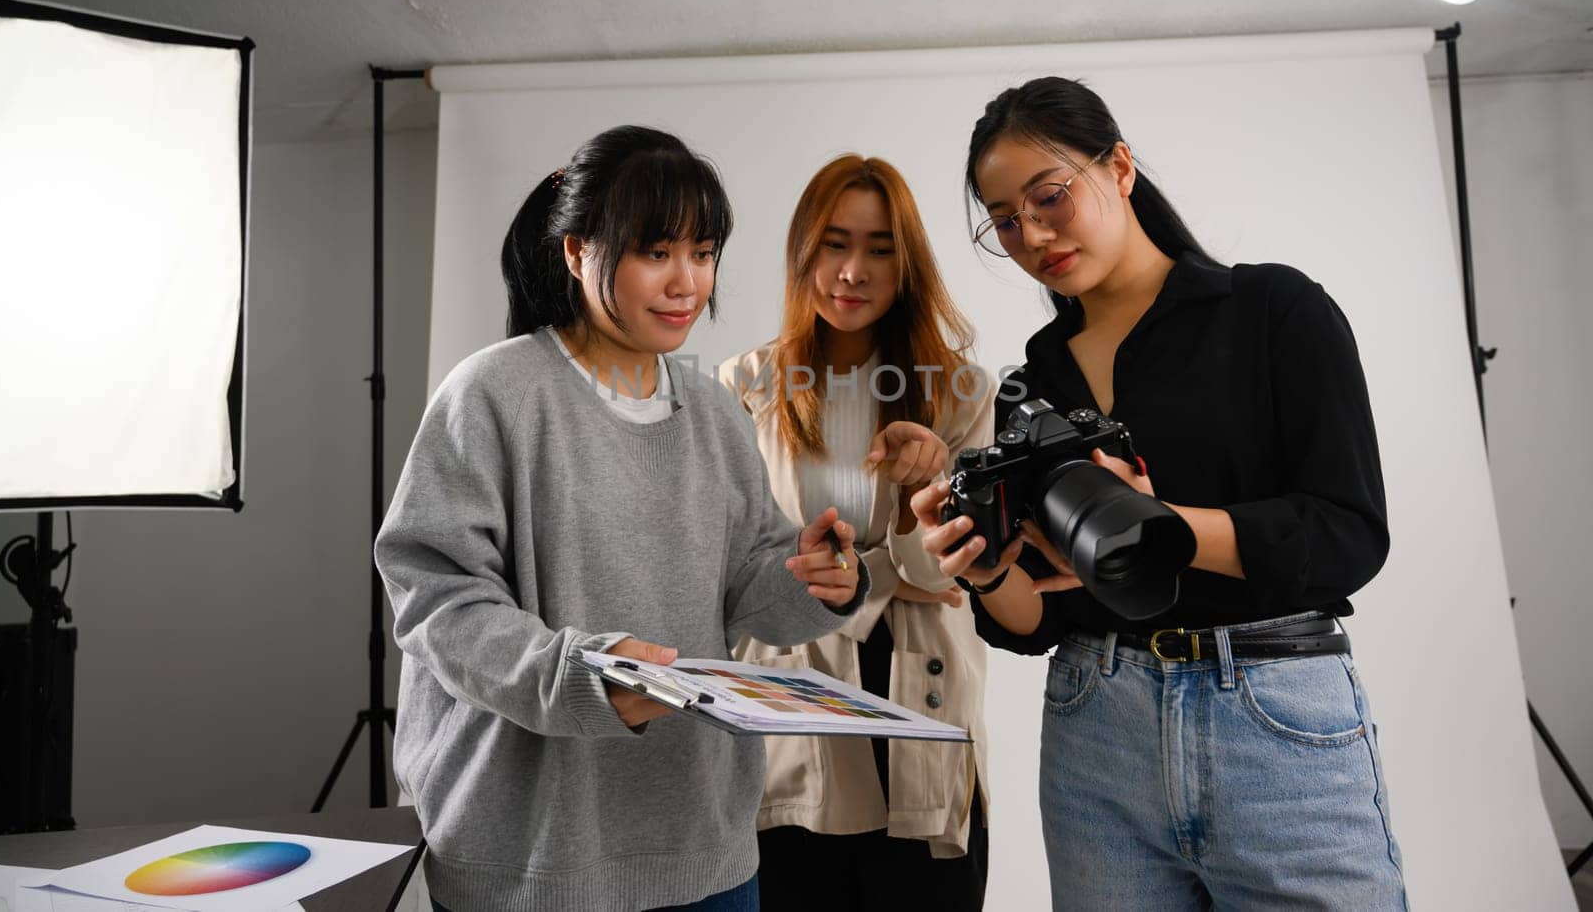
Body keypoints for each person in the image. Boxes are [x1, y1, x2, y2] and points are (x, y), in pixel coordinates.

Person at [910, 78, 1407, 909]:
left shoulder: (1274, 310)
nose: (1030, 233)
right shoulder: (1036, 380)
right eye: (1003, 219)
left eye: (1050, 196)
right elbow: (1046, 620)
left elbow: (1350, 532)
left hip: (1275, 715)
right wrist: (985, 567)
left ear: (1121, 167)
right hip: (1097, 723)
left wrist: (1162, 526)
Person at [375, 125, 867, 912]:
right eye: (655, 252)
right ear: (577, 253)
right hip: (534, 855)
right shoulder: (493, 394)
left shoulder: (712, 409)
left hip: (704, 847)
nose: (686, 282)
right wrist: (583, 677)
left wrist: (819, 578)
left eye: (703, 253)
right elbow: (438, 601)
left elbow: (750, 584)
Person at [719, 154, 995, 911]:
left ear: (908, 264)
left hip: (918, 713)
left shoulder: (961, 392)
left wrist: (909, 511)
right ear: (803, 249)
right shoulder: (743, 387)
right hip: (791, 723)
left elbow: (953, 574)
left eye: (880, 249)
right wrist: (893, 569)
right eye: (835, 243)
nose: (852, 270)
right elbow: (733, 572)